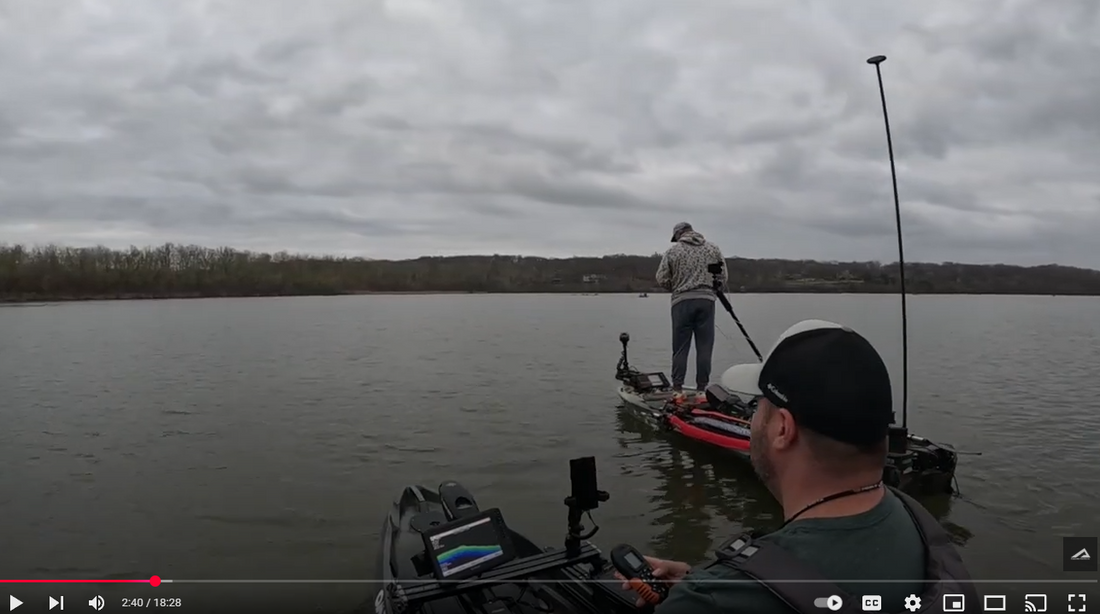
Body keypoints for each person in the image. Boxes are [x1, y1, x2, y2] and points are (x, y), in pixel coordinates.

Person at [622, 319, 976, 614]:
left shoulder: (705, 605)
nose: (753, 415)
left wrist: (707, 593)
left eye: (759, 404)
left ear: (782, 428)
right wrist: (707, 581)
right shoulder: (914, 518)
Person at [655, 222, 727, 392]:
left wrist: (675, 286)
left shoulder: (673, 251)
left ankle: (677, 388)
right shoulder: (713, 249)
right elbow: (723, 277)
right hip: (707, 301)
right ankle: (702, 388)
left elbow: (661, 278)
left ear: (679, 234)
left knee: (680, 348)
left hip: (682, 302)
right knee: (705, 347)